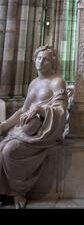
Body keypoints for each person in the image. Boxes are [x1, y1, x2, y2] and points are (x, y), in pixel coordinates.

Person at [0, 45, 67, 208]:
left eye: (45, 59)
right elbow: (23, 110)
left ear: (52, 62)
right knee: (1, 147)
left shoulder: (57, 82)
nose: (41, 62)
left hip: (43, 131)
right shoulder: (33, 82)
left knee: (10, 151)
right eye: (38, 58)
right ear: (34, 60)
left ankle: (18, 191)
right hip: (25, 129)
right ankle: (3, 191)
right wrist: (4, 125)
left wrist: (39, 108)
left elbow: (60, 110)